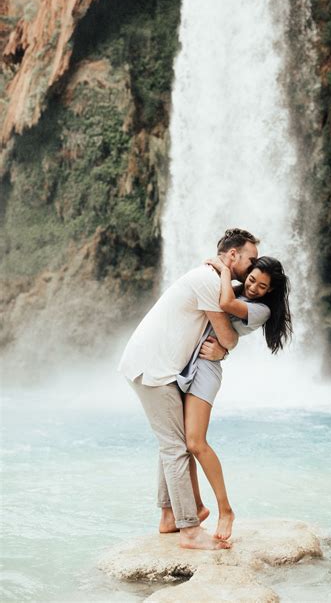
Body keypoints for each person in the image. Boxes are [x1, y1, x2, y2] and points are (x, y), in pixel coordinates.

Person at [118, 228, 259, 550]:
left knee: (172, 442)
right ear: (232, 255)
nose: (253, 268)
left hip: (156, 366)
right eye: (249, 260)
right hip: (153, 368)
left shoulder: (210, 276)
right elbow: (228, 336)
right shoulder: (209, 281)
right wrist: (225, 348)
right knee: (176, 447)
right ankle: (190, 530)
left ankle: (169, 515)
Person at [177, 255, 293, 541]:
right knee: (181, 444)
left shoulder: (261, 309)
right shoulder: (236, 287)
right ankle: (197, 507)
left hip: (206, 368)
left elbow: (227, 306)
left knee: (196, 442)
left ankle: (225, 510)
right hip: (187, 360)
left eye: (262, 286)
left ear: (270, 292)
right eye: (252, 279)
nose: (254, 288)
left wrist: (226, 270)